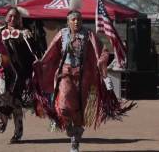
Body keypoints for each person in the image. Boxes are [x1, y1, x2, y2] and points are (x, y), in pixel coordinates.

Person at [33, 9, 135, 152]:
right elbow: (51, 52)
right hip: (65, 73)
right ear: (68, 21)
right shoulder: (62, 34)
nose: (76, 21)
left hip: (84, 77)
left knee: (80, 107)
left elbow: (103, 50)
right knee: (63, 104)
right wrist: (41, 62)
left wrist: (101, 62)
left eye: (79, 19)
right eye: (73, 19)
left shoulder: (89, 34)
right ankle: (67, 125)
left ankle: (75, 140)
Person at [0, 7, 43, 143]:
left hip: (18, 73)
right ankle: (2, 116)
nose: (12, 19)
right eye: (10, 16)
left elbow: (33, 53)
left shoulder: (25, 34)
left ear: (19, 19)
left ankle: (17, 133)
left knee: (16, 103)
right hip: (1, 67)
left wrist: (36, 66)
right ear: (6, 18)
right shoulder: (0, 33)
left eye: (15, 17)